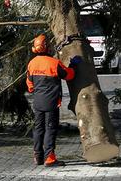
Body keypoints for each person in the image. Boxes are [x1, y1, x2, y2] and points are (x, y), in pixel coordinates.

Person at [26, 34, 79, 167]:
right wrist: (74, 65)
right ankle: (49, 158)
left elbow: (30, 86)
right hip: (51, 102)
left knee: (38, 129)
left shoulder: (31, 64)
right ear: (48, 47)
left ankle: (38, 156)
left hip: (37, 102)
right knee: (50, 129)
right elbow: (68, 75)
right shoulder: (54, 63)